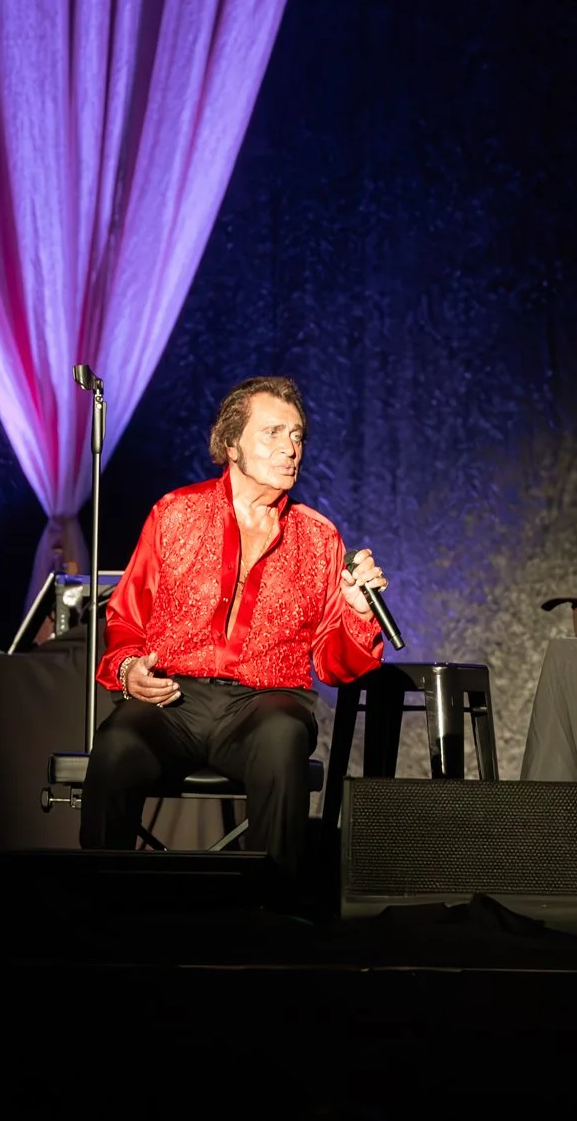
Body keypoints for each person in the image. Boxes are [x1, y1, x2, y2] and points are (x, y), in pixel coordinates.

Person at [83, 376, 388, 880]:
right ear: (231, 444)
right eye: (273, 433)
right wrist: (128, 669)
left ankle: (272, 903)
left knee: (283, 735)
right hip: (173, 703)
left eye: (297, 435)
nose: (290, 448)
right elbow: (126, 617)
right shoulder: (175, 514)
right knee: (117, 743)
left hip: (262, 706)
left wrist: (356, 612)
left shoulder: (318, 538)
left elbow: (335, 666)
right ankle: (99, 902)